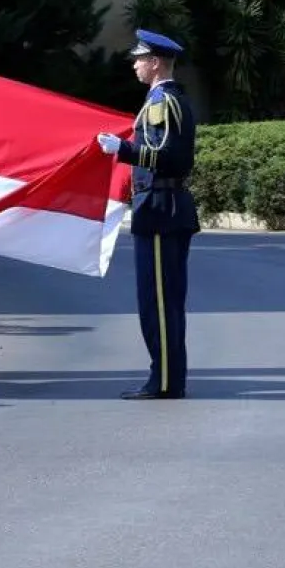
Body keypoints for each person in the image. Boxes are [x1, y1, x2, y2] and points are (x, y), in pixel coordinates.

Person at [97, 29, 200, 400]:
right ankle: (167, 377)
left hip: (160, 209)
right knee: (161, 300)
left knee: (158, 302)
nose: (135, 64)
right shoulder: (161, 99)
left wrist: (123, 150)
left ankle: (167, 381)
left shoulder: (163, 102)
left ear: (156, 63)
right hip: (160, 208)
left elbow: (171, 157)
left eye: (140, 59)